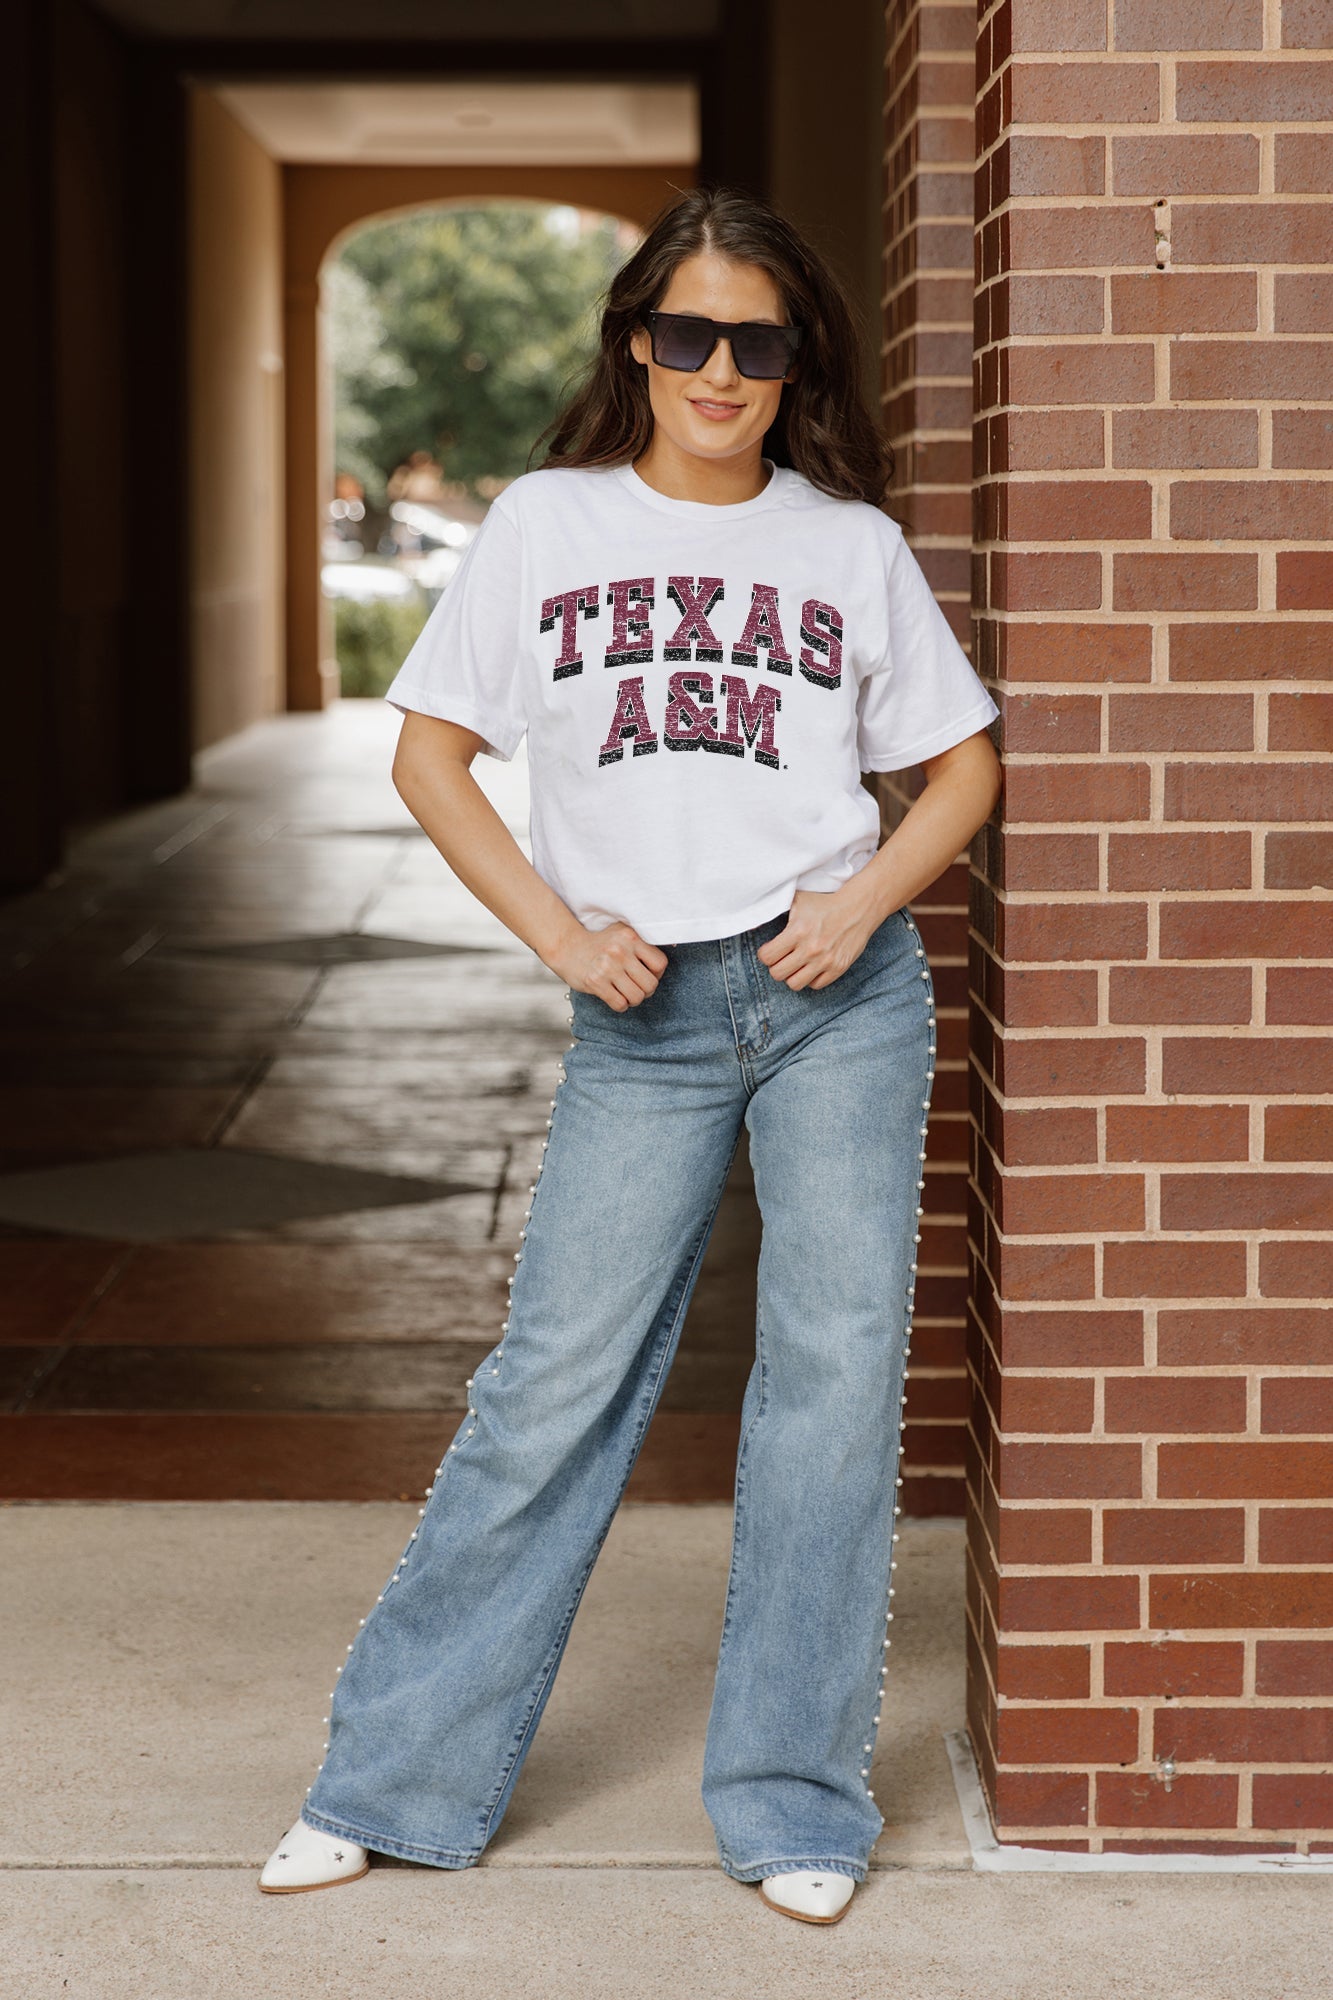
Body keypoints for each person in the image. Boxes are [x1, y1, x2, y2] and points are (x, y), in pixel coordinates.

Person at [259, 184, 1000, 1927]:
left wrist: (860, 904)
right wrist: (562, 935)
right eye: (687, 336)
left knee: (828, 1399)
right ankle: (392, 1780)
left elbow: (958, 770)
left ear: (790, 355)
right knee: (549, 1390)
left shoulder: (845, 545)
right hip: (640, 1019)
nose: (718, 370)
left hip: (838, 1001)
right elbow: (432, 761)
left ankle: (795, 1797)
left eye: (754, 340)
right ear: (635, 345)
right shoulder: (544, 523)